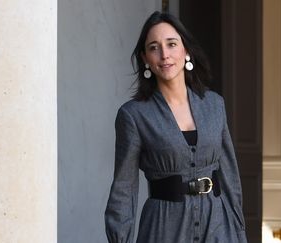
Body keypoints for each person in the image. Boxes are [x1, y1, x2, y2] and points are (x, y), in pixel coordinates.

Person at [105, 11, 247, 243]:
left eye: (172, 44)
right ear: (145, 59)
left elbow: (230, 175)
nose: (164, 55)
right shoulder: (133, 115)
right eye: (154, 47)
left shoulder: (214, 105)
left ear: (186, 50)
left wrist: (239, 233)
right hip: (164, 229)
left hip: (219, 228)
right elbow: (124, 189)